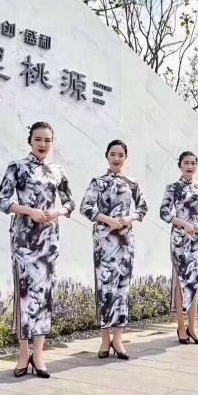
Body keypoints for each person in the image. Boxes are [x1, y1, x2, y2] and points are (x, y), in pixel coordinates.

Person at [0, 121, 75, 378]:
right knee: (24, 295)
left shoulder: (58, 170)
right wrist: (28, 210)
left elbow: (70, 203)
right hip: (23, 241)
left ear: (53, 143)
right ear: (30, 141)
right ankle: (22, 354)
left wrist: (56, 212)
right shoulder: (17, 167)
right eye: (38, 139)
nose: (43, 144)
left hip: (49, 240)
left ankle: (38, 355)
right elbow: (1, 200)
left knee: (44, 295)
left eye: (47, 140)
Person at [80, 140, 148, 360]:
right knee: (105, 288)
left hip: (125, 241)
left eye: (121, 155)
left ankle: (118, 339)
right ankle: (104, 338)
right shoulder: (98, 182)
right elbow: (85, 207)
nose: (117, 158)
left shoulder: (132, 183)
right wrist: (107, 220)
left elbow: (143, 208)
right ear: (107, 156)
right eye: (113, 154)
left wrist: (129, 218)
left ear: (126, 157)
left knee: (122, 289)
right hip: (104, 241)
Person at [159, 151, 198, 345]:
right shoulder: (173, 187)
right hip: (180, 240)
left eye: (193, 163)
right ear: (180, 165)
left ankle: (193, 327)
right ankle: (181, 327)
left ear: (196, 166)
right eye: (186, 163)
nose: (190, 166)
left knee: (194, 282)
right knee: (181, 282)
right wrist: (183, 224)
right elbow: (164, 213)